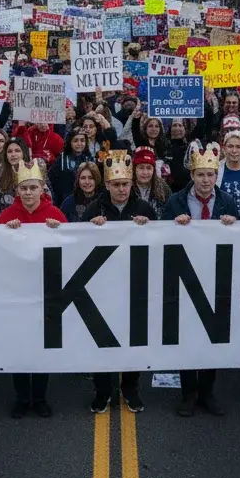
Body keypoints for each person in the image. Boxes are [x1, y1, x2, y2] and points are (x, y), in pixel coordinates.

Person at [162, 142, 238, 417]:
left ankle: (207, 391)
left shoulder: (227, 201)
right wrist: (173, 224)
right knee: (187, 336)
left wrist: (234, 224)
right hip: (184, 276)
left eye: (210, 175)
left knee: (211, 336)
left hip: (215, 277)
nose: (205, 181)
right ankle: (188, 393)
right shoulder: (176, 201)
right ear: (192, 175)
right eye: (200, 175)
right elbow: (159, 236)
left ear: (216, 176)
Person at [81, 150, 155, 414]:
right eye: (116, 184)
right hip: (102, 288)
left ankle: (130, 389)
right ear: (108, 185)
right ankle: (103, 391)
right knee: (102, 341)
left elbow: (160, 243)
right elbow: (77, 241)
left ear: (131, 184)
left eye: (125, 184)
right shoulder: (95, 208)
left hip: (135, 285)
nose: (121, 189)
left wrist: (149, 228)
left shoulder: (144, 209)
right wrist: (91, 226)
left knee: (132, 340)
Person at [0, 159, 66, 418]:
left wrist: (59, 232)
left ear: (42, 189)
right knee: (19, 346)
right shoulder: (6, 216)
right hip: (16, 293)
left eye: (33, 188)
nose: (28, 193)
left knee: (40, 347)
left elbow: (71, 249)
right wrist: (6, 233)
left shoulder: (55, 216)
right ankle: (22, 397)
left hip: (45, 292)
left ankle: (39, 397)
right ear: (17, 190)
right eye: (23, 188)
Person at [131, 146, 170, 218]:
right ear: (134, 169)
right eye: (141, 168)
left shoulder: (162, 186)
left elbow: (171, 209)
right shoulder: (128, 186)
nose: (145, 172)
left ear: (153, 170)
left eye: (149, 168)